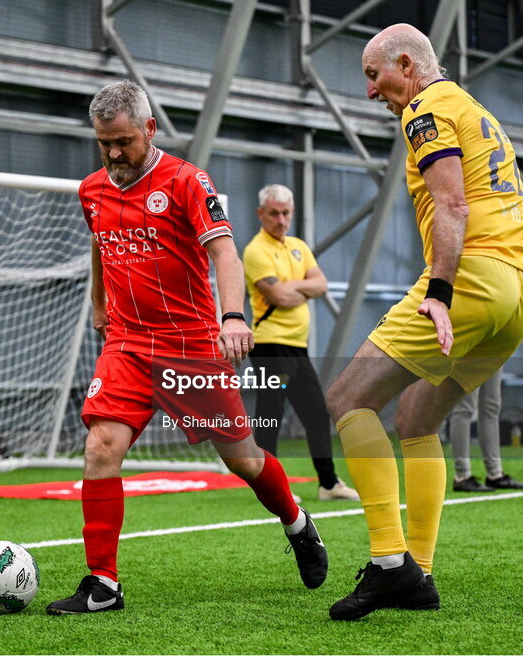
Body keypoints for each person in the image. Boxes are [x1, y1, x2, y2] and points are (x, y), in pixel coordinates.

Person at [46, 80, 328, 615]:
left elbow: (224, 252)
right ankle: (103, 584)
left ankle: (296, 522)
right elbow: (98, 242)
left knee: (243, 460)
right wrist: (98, 301)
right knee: (102, 446)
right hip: (127, 342)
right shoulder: (92, 190)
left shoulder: (186, 182)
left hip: (191, 344)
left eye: (123, 141)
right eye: (103, 142)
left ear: (150, 129)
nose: (112, 153)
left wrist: (233, 317)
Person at [325, 24, 523, 620]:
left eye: (374, 75)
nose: (372, 91)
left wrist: (442, 292)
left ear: (405, 63)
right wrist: (510, 305)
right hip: (519, 286)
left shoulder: (424, 108)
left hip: (470, 278)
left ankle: (390, 563)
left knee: (346, 399)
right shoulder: (475, 109)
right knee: (417, 417)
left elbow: (453, 203)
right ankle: (418, 573)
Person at [243, 184, 359, 502]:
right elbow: (278, 296)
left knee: (316, 414)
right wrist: (302, 287)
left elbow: (321, 285)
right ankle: (269, 486)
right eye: (274, 214)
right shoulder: (255, 251)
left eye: (286, 213)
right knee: (272, 411)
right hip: (269, 347)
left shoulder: (298, 246)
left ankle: (328, 484)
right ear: (260, 215)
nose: (281, 220)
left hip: (297, 346)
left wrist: (296, 287)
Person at [448, 333, 523, 493]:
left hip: (496, 339)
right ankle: (462, 475)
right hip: (473, 335)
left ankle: (495, 473)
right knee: (465, 408)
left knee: (491, 406)